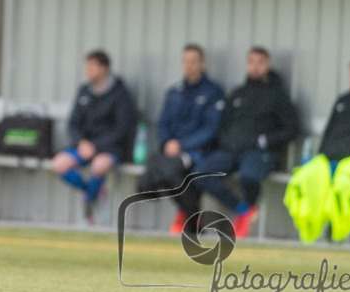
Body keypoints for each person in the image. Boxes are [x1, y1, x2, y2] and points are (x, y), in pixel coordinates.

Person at [193, 46, 300, 239]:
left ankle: (246, 214)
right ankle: (242, 209)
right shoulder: (237, 94)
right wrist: (227, 142)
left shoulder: (277, 96)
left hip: (259, 152)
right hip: (231, 151)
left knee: (248, 176)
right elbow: (223, 124)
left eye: (260, 62)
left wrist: (266, 141)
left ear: (267, 65)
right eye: (251, 62)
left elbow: (292, 129)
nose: (255, 67)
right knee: (200, 174)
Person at [284, 56, 350, 243]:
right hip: (330, 158)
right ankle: (309, 232)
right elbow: (329, 131)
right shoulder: (342, 101)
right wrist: (321, 155)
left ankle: (337, 232)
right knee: (303, 178)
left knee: (344, 184)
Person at [136, 44, 225, 235]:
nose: (189, 66)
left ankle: (188, 213)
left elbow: (211, 129)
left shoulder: (213, 92)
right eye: (186, 61)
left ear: (202, 64)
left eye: (193, 62)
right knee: (153, 169)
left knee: (168, 170)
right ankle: (190, 214)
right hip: (171, 150)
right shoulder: (174, 92)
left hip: (198, 152)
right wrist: (167, 143)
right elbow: (163, 123)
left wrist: (182, 145)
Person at [50, 50, 137, 223]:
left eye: (92, 67)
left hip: (110, 148)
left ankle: (88, 205)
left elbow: (122, 129)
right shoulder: (84, 91)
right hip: (84, 147)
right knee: (58, 164)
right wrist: (81, 143)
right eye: (87, 67)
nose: (88, 71)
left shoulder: (121, 94)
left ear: (104, 68)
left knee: (98, 166)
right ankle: (92, 191)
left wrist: (96, 147)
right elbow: (73, 124)